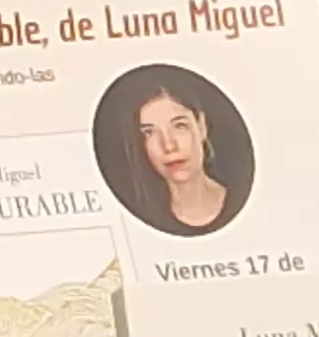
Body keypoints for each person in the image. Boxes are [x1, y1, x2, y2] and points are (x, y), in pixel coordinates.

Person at [104, 65, 245, 237]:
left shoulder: (246, 199)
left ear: (201, 126)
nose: (169, 146)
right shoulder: (143, 222)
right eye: (150, 132)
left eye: (179, 126)